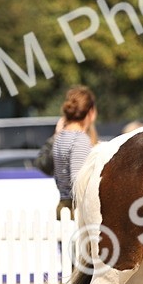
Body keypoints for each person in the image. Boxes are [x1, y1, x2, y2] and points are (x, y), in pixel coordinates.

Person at [52, 86, 97, 218]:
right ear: (91, 112)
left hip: (64, 204)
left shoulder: (60, 136)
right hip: (76, 210)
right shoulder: (80, 139)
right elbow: (78, 182)